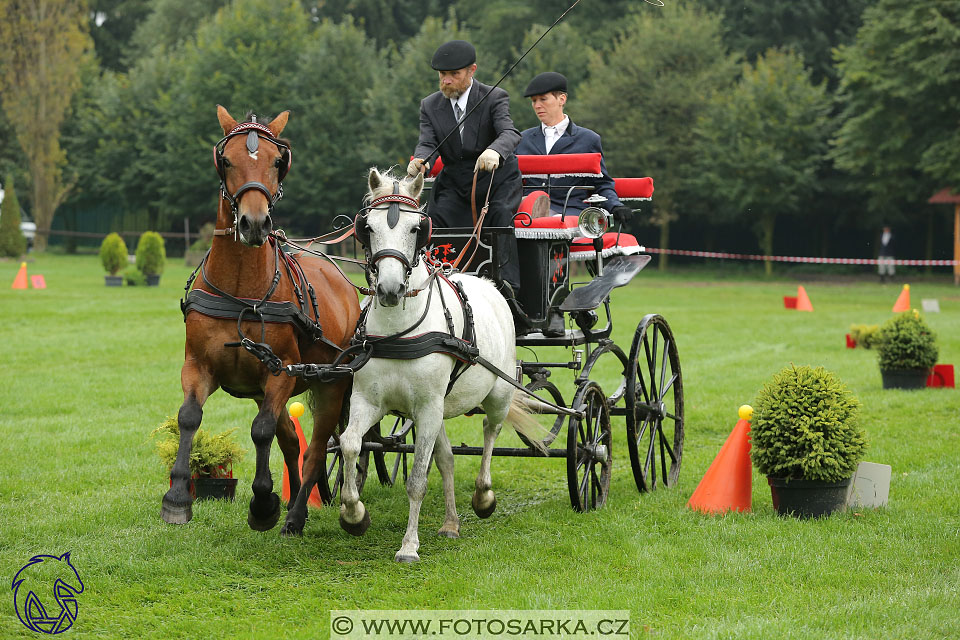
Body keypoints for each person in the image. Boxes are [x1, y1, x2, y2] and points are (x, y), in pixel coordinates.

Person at [408, 40, 523, 295]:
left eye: (453, 74)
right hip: (455, 182)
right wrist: (420, 160)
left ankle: (508, 288)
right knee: (434, 220)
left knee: (501, 215)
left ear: (472, 70)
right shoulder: (429, 105)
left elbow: (509, 132)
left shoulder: (494, 97)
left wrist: (494, 150)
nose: (446, 81)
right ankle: (436, 282)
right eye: (442, 75)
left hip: (496, 181)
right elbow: (428, 142)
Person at [515, 72, 633, 226]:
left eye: (543, 99)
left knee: (551, 223)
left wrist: (615, 206)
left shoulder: (588, 140)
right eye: (534, 101)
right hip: (527, 212)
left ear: (562, 99)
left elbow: (602, 184)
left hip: (570, 213)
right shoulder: (521, 140)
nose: (537, 105)